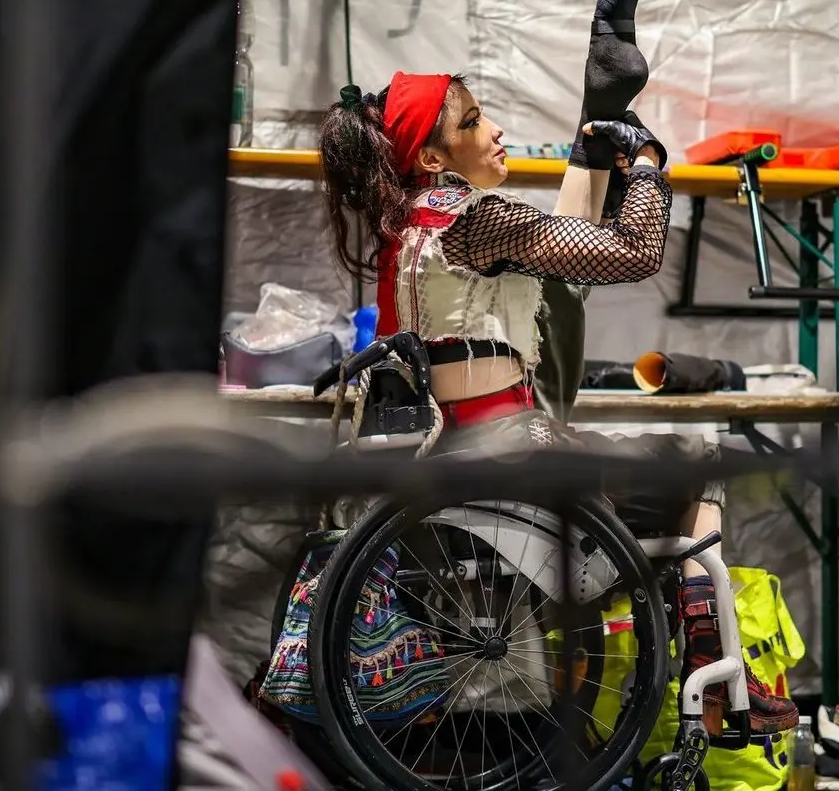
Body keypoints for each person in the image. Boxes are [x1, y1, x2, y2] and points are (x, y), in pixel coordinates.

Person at [316, 69, 799, 735]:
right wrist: (649, 164)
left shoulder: (407, 229)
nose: (495, 130)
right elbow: (632, 253)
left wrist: (590, 161)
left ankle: (687, 662)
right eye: (472, 122)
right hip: (514, 457)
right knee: (700, 458)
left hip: (453, 455)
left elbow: (565, 249)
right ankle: (710, 669)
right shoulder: (477, 221)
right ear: (430, 158)